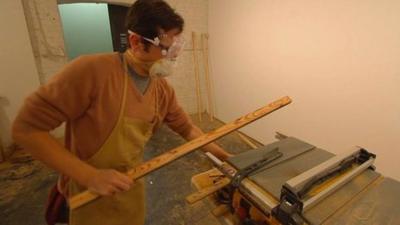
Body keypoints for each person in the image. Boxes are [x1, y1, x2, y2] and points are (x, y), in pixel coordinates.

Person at [12, 0, 231, 224]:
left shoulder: (161, 89)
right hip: (86, 194)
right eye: (166, 48)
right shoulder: (92, 72)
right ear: (136, 42)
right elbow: (26, 129)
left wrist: (227, 159)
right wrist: (90, 176)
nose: (172, 57)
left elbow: (188, 129)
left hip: (129, 187)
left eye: (176, 48)